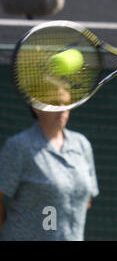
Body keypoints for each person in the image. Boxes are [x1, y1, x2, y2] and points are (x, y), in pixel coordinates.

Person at [0, 83, 99, 241]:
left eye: (66, 104)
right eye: (54, 103)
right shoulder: (19, 146)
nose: (62, 110)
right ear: (36, 107)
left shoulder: (82, 145)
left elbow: (86, 199)